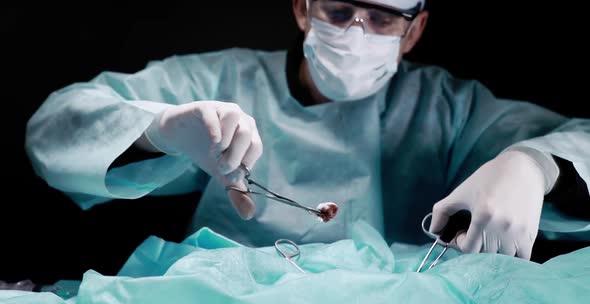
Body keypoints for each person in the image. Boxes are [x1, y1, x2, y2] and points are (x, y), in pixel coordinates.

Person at [25, 0, 590, 261]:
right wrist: (160, 128)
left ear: (413, 30)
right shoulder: (225, 80)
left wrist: (536, 165)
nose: (357, 32)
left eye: (382, 19)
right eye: (340, 13)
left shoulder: (448, 109)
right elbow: (58, 124)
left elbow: (580, 138)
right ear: (303, 8)